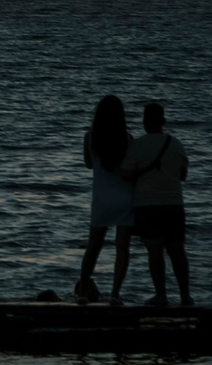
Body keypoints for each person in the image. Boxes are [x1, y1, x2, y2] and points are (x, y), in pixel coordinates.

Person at [119, 100, 192, 307]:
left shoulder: (138, 145)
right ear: (164, 121)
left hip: (147, 206)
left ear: (144, 122)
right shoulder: (176, 144)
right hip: (174, 204)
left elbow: (125, 173)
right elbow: (183, 175)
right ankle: (186, 295)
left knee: (155, 251)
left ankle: (161, 295)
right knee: (177, 251)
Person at [75, 95, 135, 303]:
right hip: (125, 198)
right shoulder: (127, 138)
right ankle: (115, 294)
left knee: (94, 245)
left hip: (102, 199)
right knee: (122, 247)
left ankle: (83, 289)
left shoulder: (90, 137)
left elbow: (89, 164)